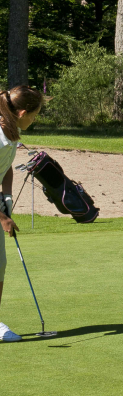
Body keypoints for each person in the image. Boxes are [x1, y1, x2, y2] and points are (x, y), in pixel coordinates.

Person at [0, 86, 47, 342]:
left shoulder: (11, 135)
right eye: (34, 115)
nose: (34, 120)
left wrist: (6, 196)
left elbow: (5, 169)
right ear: (21, 112)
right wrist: (3, 218)